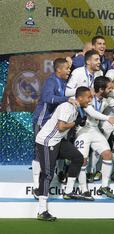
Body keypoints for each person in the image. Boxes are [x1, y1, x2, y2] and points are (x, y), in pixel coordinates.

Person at [70, 76, 114, 200]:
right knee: (83, 160)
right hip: (83, 131)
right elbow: (92, 113)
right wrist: (108, 118)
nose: (111, 89)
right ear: (101, 89)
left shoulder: (107, 99)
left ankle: (104, 187)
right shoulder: (89, 98)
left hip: (95, 130)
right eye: (109, 88)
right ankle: (84, 189)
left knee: (107, 154)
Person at [35, 86, 91, 221]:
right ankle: (42, 210)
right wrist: (75, 123)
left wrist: (77, 122)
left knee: (78, 157)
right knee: (48, 174)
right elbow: (60, 127)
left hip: (58, 141)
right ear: (80, 97)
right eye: (89, 97)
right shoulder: (67, 107)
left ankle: (68, 191)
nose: (90, 100)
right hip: (47, 142)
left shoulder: (77, 108)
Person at [32, 58, 76, 199]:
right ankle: (36, 186)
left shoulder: (63, 82)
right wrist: (66, 99)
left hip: (53, 123)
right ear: (59, 69)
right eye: (67, 68)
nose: (69, 71)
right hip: (42, 120)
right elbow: (47, 98)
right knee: (39, 153)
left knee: (54, 150)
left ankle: (51, 178)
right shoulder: (51, 81)